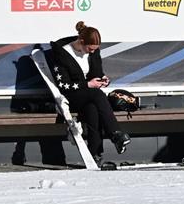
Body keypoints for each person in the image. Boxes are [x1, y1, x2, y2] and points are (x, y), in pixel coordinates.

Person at [48, 22, 131, 162]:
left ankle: (95, 154)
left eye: (95, 49)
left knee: (92, 109)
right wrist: (88, 84)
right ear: (81, 42)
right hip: (71, 95)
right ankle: (115, 133)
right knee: (97, 95)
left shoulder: (93, 51)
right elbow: (64, 85)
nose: (92, 52)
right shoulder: (62, 54)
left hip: (89, 95)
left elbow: (96, 72)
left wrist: (103, 79)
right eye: (90, 49)